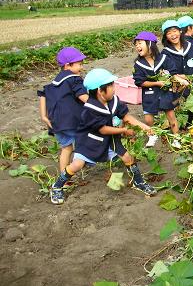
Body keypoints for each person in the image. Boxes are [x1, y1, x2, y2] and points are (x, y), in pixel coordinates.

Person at [49, 68, 157, 205]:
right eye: (111, 85)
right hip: (89, 141)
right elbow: (103, 129)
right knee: (77, 165)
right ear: (100, 91)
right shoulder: (90, 109)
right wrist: (123, 130)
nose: (114, 88)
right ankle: (57, 186)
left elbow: (127, 117)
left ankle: (138, 181)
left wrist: (146, 128)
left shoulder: (114, 101)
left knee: (127, 157)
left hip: (110, 138)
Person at [38, 47, 89, 172]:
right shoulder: (74, 79)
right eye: (79, 64)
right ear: (67, 66)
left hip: (56, 122)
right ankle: (76, 167)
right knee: (84, 144)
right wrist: (98, 104)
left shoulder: (54, 82)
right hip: (71, 121)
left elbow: (43, 94)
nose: (81, 67)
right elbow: (83, 97)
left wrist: (43, 115)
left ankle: (64, 179)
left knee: (66, 148)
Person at [132, 31, 167, 148]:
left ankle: (169, 132)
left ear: (150, 44)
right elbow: (139, 82)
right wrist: (156, 83)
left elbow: (171, 72)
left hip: (164, 92)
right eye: (136, 44)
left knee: (167, 111)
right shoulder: (138, 64)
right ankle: (152, 135)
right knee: (148, 116)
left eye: (140, 43)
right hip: (149, 93)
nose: (137, 46)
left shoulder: (162, 58)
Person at [160, 20, 192, 148]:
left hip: (192, 81)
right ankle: (178, 130)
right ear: (165, 37)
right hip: (177, 85)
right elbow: (166, 73)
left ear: (180, 31)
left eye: (174, 31)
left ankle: (188, 125)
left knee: (191, 103)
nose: (173, 35)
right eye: (169, 33)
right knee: (177, 104)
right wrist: (182, 77)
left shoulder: (189, 46)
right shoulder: (165, 53)